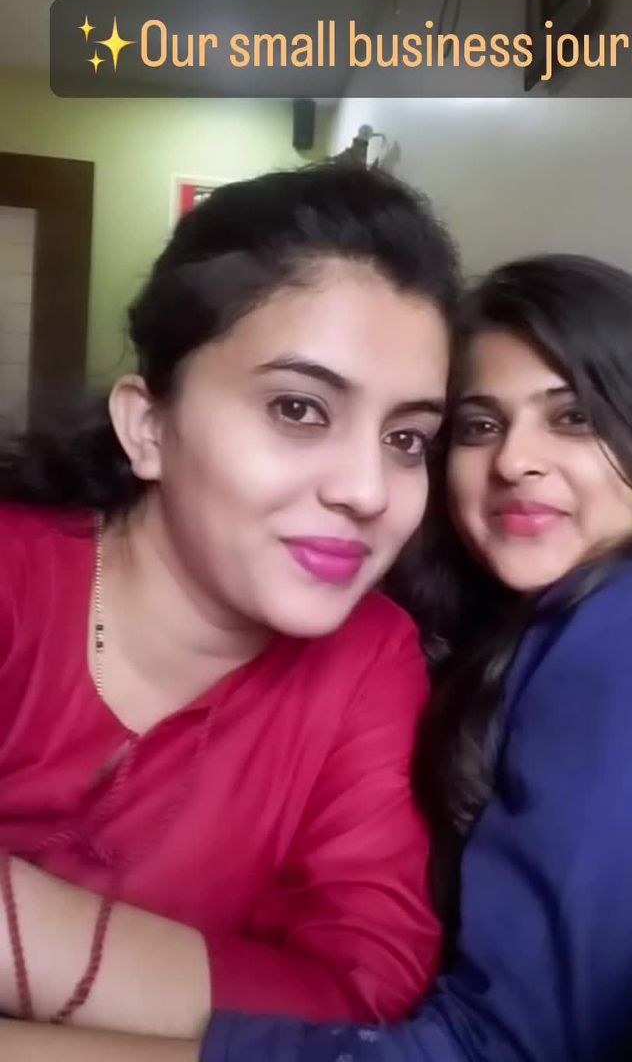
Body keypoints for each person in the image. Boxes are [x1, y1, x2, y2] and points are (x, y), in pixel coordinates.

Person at [4, 254, 632, 1061]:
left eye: (574, 417)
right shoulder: (518, 629)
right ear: (147, 425)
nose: (513, 460)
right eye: (478, 427)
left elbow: (490, 1049)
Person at [0, 163, 461, 1037]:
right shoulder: (13, 580)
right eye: (299, 409)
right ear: (148, 427)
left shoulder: (370, 659)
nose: (368, 490)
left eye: (408, 438)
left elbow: (361, 997)